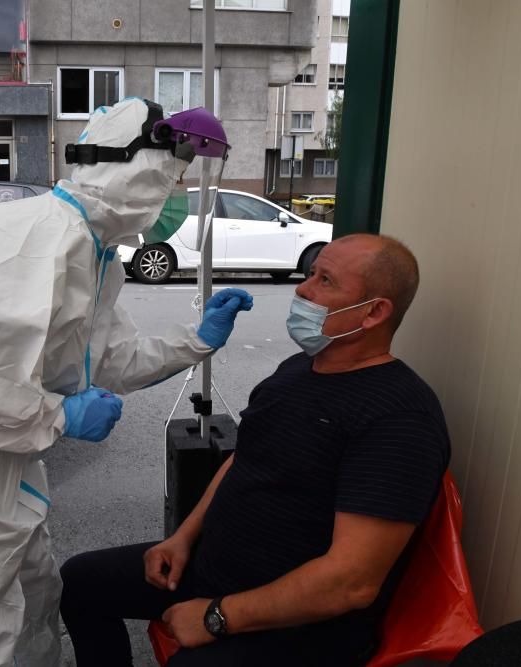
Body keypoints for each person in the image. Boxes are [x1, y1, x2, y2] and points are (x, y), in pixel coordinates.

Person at [0, 97, 254, 667]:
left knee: (30, 595)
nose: (178, 193)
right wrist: (61, 416)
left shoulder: (94, 254)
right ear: (138, 168)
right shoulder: (18, 237)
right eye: (176, 173)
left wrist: (198, 339)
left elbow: (109, 360)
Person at [60, 234, 452, 667]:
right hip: (216, 570)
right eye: (310, 273)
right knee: (79, 583)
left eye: (325, 280)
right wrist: (183, 537)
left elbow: (350, 582)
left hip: (300, 623)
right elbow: (244, 460)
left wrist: (215, 617)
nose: (303, 289)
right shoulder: (297, 370)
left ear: (375, 312)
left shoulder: (399, 418)